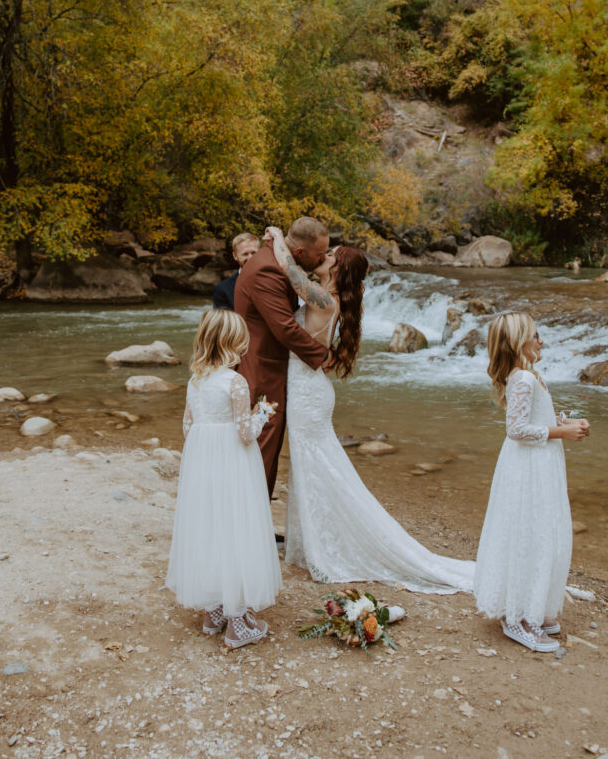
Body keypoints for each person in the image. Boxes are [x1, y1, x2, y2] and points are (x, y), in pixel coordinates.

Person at [264, 225, 475, 594]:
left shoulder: (324, 300)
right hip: (307, 390)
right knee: (310, 470)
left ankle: (328, 551)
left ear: (337, 271)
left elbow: (290, 270)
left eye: (330, 256)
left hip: (308, 396)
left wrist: (278, 236)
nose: (324, 257)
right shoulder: (328, 298)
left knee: (319, 470)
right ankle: (309, 546)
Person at [473, 312, 590, 653]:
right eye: (535, 336)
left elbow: (533, 418)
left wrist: (565, 421)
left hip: (539, 462)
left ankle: (532, 608)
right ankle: (516, 619)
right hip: (529, 466)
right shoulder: (522, 377)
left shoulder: (529, 375)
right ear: (517, 341)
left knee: (544, 533)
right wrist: (562, 432)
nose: (541, 341)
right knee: (531, 534)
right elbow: (516, 429)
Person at [165, 309, 282, 649]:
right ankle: (236, 624)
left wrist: (206, 445)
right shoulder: (236, 382)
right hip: (233, 466)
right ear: (234, 343)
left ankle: (212, 611)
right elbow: (245, 435)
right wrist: (262, 415)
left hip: (202, 466)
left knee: (211, 529)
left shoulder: (195, 381)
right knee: (235, 530)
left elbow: (188, 427)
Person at [234, 217, 331, 499]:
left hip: (269, 368)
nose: (324, 257)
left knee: (265, 448)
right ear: (299, 253)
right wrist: (324, 357)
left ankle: (257, 523)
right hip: (262, 371)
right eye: (320, 254)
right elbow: (285, 328)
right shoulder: (267, 269)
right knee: (261, 448)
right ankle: (250, 527)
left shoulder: (276, 259)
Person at [213, 232, 260, 311]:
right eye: (245, 254)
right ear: (235, 256)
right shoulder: (222, 289)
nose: (250, 258)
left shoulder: (273, 281)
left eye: (253, 253)